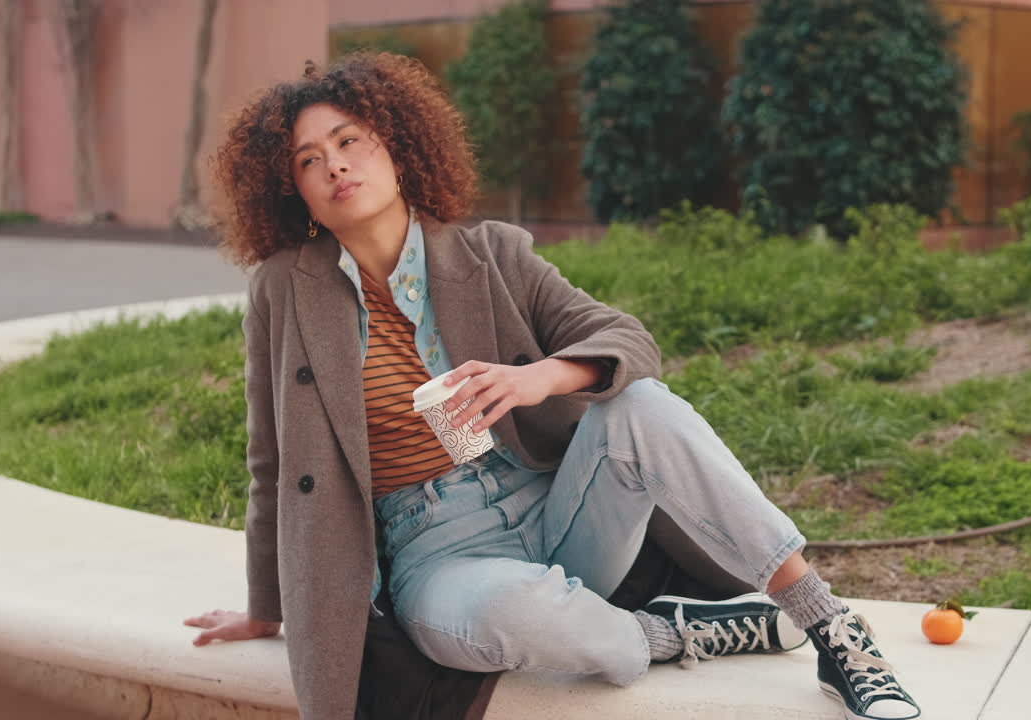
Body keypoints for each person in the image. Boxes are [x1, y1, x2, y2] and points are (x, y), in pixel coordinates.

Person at [182, 53, 921, 720]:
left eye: (349, 141)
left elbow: (632, 341)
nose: (336, 166)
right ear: (297, 194)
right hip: (437, 553)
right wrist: (265, 607)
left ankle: (832, 627)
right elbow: (274, 463)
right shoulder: (286, 291)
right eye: (310, 160)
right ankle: (671, 632)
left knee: (640, 405)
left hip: (556, 505)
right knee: (513, 619)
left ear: (396, 146)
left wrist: (541, 377)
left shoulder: (492, 254)